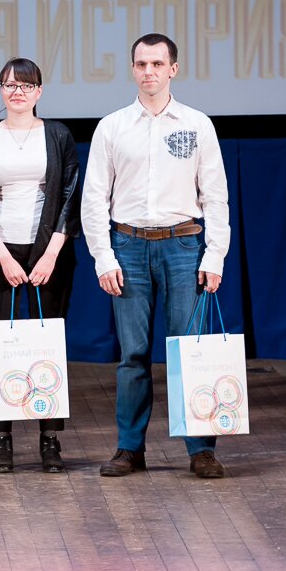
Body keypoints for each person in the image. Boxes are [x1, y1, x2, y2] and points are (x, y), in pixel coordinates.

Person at [81, 33, 231, 480]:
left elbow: (216, 196)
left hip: (183, 246)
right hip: (128, 247)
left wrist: (215, 256)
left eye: (157, 64)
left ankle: (201, 449)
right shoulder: (112, 127)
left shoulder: (197, 124)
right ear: (133, 69)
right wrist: (103, 257)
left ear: (173, 69)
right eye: (142, 64)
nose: (149, 71)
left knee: (189, 350)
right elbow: (94, 199)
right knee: (133, 354)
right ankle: (130, 448)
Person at [0, 58, 81, 473]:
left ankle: (50, 439)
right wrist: (4, 256)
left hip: (49, 253)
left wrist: (50, 253)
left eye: (26, 85)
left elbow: (70, 196)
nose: (17, 92)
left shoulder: (58, 135)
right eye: (10, 85)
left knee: (49, 347)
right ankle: (2, 439)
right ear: (1, 90)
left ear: (39, 91)